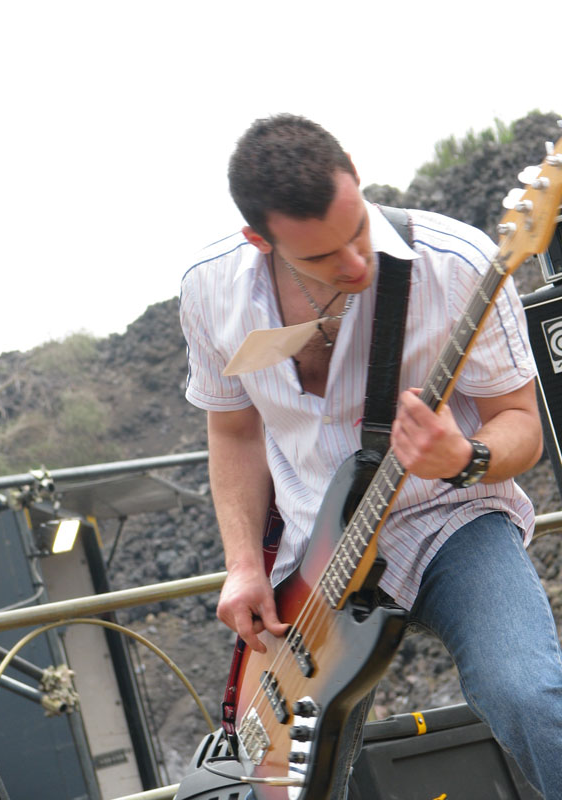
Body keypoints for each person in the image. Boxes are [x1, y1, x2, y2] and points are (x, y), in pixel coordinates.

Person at [179, 114, 562, 799]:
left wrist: (465, 456)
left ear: (355, 173)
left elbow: (522, 426)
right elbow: (233, 432)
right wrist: (242, 566)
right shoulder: (212, 290)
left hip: (448, 520)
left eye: (358, 229)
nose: (356, 264)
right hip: (312, 556)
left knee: (528, 693)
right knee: (289, 782)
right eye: (323, 258)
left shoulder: (458, 263)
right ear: (259, 240)